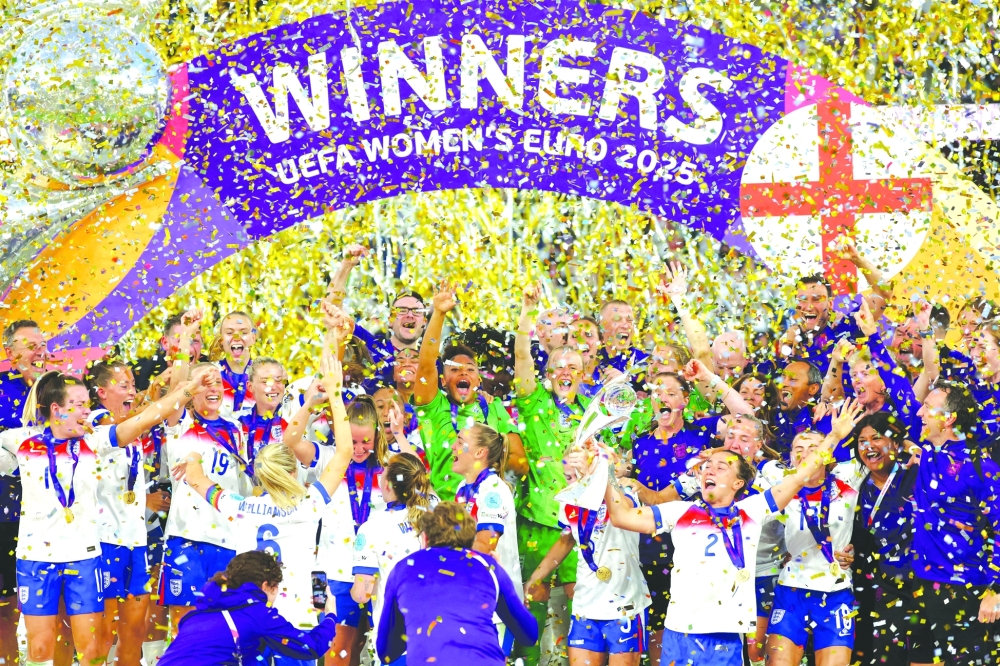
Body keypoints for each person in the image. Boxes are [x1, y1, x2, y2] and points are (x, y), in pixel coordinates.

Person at [602, 403, 863, 666]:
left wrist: (834, 437)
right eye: (708, 466)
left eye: (721, 467)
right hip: (677, 632)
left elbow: (800, 476)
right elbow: (622, 516)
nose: (710, 470)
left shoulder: (751, 510)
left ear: (739, 483)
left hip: (725, 636)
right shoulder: (679, 511)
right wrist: (606, 472)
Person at [0, 368, 214, 665]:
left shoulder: (95, 440)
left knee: (91, 651)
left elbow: (147, 417)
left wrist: (188, 389)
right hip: (34, 557)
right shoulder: (19, 440)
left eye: (86, 404)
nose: (86, 411)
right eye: (77, 405)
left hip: (85, 557)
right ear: (56, 410)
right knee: (39, 650)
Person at [512, 283, 589, 666]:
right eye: (558, 366)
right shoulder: (533, 402)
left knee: (580, 595)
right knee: (534, 593)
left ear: (583, 372)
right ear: (548, 372)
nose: (565, 372)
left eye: (573, 367)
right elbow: (521, 359)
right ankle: (527, 662)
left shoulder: (595, 412)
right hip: (536, 520)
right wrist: (528, 313)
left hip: (579, 524)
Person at [764, 406, 870, 666]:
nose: (804, 454)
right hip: (791, 589)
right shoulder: (778, 481)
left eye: (812, 448)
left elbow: (885, 454)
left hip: (836, 590)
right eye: (798, 449)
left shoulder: (849, 476)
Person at [525, 448, 650, 666]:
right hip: (585, 606)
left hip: (624, 606)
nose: (573, 484)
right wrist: (534, 579)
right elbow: (565, 541)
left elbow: (625, 512)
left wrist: (599, 476)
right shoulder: (570, 500)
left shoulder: (624, 492)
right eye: (568, 477)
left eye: (578, 474)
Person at [376, 502, 539, 666]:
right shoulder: (487, 565)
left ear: (425, 538)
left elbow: (386, 652)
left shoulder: (403, 568)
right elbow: (529, 634)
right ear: (470, 539)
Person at [158, 361, 252, 635]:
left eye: (217, 382)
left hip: (226, 539)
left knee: (224, 626)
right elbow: (175, 391)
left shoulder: (235, 428)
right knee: (184, 625)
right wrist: (185, 337)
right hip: (185, 537)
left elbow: (240, 485)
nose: (212, 388)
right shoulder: (179, 423)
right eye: (204, 382)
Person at [909, 382, 1000, 666]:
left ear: (948, 419)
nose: (920, 412)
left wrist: (996, 592)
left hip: (966, 592)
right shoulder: (927, 452)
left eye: (927, 407)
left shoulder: (981, 469)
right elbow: (898, 391)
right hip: (922, 584)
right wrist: (874, 339)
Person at [411, 282, 520, 500]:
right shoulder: (433, 407)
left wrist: (488, 448)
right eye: (454, 369)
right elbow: (425, 365)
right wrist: (439, 314)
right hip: (444, 513)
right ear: (442, 381)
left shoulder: (493, 407)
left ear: (478, 380)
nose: (463, 373)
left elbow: (520, 462)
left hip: (487, 509)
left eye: (470, 369)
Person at [85, 360, 153, 666]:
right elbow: (140, 420)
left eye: (133, 386)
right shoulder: (94, 423)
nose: (132, 392)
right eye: (123, 386)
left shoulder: (132, 427)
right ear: (101, 392)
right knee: (104, 634)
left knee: (135, 632)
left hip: (136, 540)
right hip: (104, 541)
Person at [158, 550, 338, 665]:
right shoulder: (258, 615)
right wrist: (330, 615)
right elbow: (312, 647)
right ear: (266, 585)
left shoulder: (195, 616)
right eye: (275, 588)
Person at [848, 412, 916, 666]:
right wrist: (849, 551)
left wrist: (912, 447)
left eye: (876, 438)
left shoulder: (915, 475)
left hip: (924, 582)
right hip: (882, 588)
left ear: (895, 443)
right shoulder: (856, 488)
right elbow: (858, 539)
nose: (868, 446)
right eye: (862, 441)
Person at [0, 318, 48, 665]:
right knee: (5, 601)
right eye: (29, 345)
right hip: (6, 511)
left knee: (44, 599)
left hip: (49, 514)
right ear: (9, 352)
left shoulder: (59, 392)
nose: (38, 351)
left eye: (41, 345)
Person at [350, 452, 429, 660]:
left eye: (383, 473)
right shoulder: (432, 516)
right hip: (434, 635)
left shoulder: (372, 528)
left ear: (388, 485)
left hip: (394, 641)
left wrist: (331, 601)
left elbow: (362, 594)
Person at [453, 423, 522, 654]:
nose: (453, 448)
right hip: (469, 600)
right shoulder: (464, 488)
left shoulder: (493, 490)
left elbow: (484, 546)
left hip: (494, 608)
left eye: (460, 442)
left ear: (479, 453)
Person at [132, 312, 208, 392]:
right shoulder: (137, 374)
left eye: (195, 341)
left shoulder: (212, 368)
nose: (189, 349)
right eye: (181, 340)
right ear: (165, 343)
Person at [774, 361, 827, 458]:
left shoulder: (822, 418)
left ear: (812, 389)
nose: (783, 383)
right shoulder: (769, 416)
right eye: (782, 377)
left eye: (793, 379)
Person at [210, 310, 257, 417]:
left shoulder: (265, 376)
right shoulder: (208, 373)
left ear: (253, 338)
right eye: (230, 333)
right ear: (221, 339)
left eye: (243, 332)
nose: (236, 337)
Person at [596, 299, 648, 377]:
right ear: (601, 327)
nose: (625, 326)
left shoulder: (646, 364)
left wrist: (624, 381)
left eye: (629, 320)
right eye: (617, 319)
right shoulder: (590, 362)